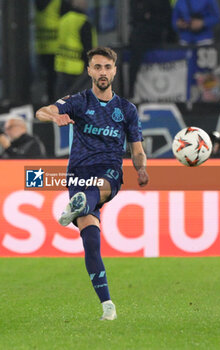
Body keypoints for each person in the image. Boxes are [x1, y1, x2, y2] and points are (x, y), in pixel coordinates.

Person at [36, 47, 149, 320]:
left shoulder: (126, 109)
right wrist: (56, 116)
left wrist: (141, 168)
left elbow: (137, 148)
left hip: (108, 172)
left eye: (107, 67)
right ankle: (107, 305)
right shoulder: (77, 101)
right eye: (97, 67)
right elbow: (42, 111)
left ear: (114, 70)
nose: (102, 72)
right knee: (91, 241)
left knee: (100, 187)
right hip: (78, 174)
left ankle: (79, 204)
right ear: (89, 70)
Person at [128, 0, 175, 99]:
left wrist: (150, 17)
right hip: (140, 34)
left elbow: (166, 17)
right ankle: (131, 92)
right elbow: (135, 15)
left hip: (160, 34)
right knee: (135, 55)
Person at [54, 0, 97, 99]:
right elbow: (88, 50)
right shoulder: (83, 21)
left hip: (62, 68)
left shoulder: (63, 20)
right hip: (79, 71)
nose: (86, 3)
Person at [35, 0, 62, 102]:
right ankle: (52, 99)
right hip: (56, 46)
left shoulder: (36, 4)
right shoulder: (57, 3)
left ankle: (48, 98)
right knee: (54, 77)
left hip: (41, 46)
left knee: (47, 76)